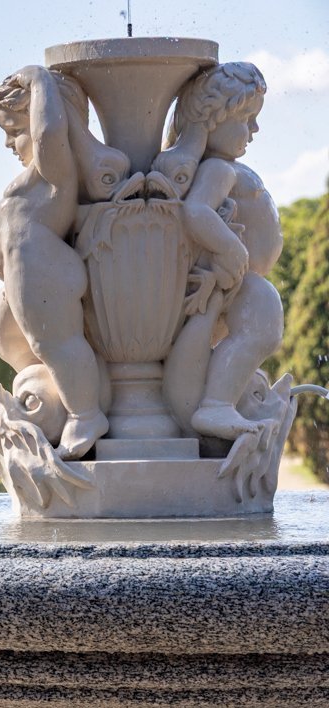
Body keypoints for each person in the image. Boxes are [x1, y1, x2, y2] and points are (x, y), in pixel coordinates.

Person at [0, 66, 118, 458]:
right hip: (25, 271)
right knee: (35, 345)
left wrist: (37, 79)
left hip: (40, 265)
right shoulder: (35, 176)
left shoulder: (55, 167)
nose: (8, 143)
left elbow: (49, 133)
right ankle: (55, 400)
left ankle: (85, 415)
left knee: (56, 342)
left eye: (15, 130)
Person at [155, 62, 284, 440]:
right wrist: (230, 248)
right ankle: (216, 405)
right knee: (262, 323)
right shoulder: (217, 169)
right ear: (211, 121)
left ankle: (218, 401)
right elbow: (197, 210)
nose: (254, 129)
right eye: (246, 119)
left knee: (261, 328)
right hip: (236, 278)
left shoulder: (223, 167)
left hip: (239, 280)